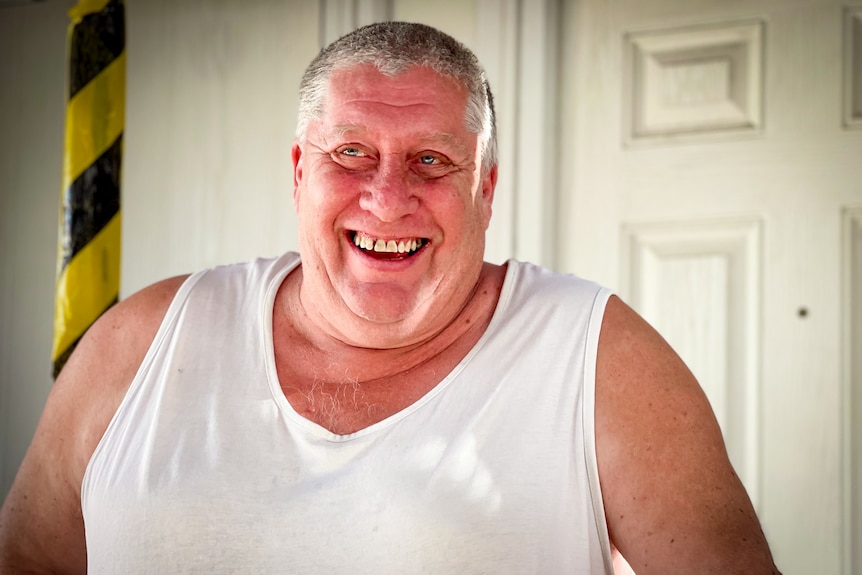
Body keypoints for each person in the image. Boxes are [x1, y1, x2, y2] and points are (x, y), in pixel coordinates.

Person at [0, 21, 780, 574]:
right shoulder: (144, 336)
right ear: (300, 170)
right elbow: (30, 558)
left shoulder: (597, 357)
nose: (386, 196)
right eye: (352, 153)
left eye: (432, 160)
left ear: (486, 187)